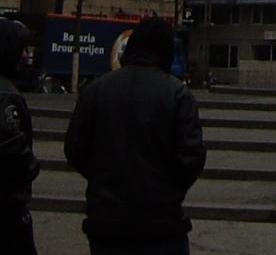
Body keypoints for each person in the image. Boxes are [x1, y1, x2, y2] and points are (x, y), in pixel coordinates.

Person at [64, 16, 206, 255]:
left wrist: (102, 179)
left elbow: (75, 148)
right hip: (161, 223)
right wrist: (167, 190)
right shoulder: (177, 95)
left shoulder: (96, 91)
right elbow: (191, 157)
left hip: (107, 222)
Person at [0, 18, 40, 255]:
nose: (26, 55)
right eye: (22, 48)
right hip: (8, 210)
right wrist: (31, 166)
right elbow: (12, 151)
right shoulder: (7, 96)